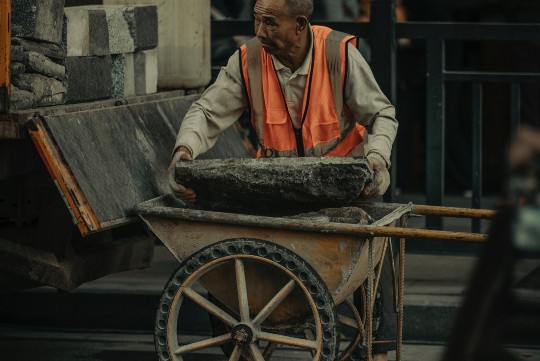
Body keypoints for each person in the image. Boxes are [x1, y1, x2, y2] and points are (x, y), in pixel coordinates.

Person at [169, 0, 398, 359]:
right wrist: (184, 151)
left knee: (377, 244)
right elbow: (208, 110)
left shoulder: (338, 54)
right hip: (276, 186)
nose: (260, 32)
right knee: (224, 253)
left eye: (270, 23)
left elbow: (381, 115)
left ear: (300, 25)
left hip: (343, 186)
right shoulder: (247, 60)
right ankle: (238, 349)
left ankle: (377, 352)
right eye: (257, 20)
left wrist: (376, 159)